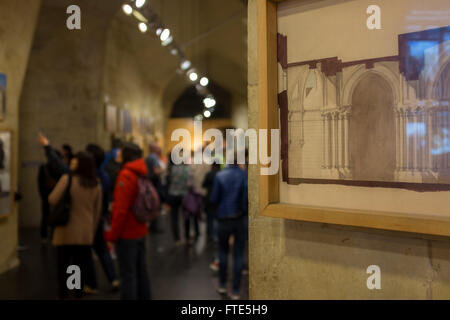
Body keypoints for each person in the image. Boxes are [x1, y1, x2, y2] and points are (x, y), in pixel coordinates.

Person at [48, 152, 102, 300]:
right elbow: (97, 212)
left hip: (66, 230)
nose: (71, 164)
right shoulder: (96, 183)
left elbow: (52, 199)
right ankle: (77, 294)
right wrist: (91, 230)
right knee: (79, 266)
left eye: (74, 162)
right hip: (85, 232)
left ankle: (64, 294)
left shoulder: (67, 179)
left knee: (64, 265)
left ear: (80, 164)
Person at [105, 143, 151, 300]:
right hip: (140, 228)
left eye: (120, 152)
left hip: (127, 232)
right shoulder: (141, 171)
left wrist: (112, 236)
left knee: (128, 275)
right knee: (141, 271)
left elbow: (120, 210)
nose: (117, 153)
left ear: (126, 155)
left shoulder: (126, 175)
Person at [210, 157, 247, 300]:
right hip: (239, 219)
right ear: (239, 162)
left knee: (223, 251)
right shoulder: (244, 175)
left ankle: (222, 284)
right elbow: (245, 198)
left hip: (223, 218)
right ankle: (236, 290)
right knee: (238, 254)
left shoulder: (220, 175)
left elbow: (214, 198)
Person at [84, 144, 119, 293]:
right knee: (102, 249)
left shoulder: (85, 178)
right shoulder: (104, 176)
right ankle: (113, 278)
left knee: (84, 253)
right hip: (99, 217)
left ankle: (90, 284)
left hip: (85, 219)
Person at [166, 151, 193, 245]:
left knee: (174, 217)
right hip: (184, 195)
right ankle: (187, 237)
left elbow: (167, 181)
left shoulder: (172, 169)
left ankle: (176, 239)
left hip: (173, 195)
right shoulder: (187, 169)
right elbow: (190, 184)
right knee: (186, 216)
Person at [37, 152, 62, 242]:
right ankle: (53, 235)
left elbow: (39, 183)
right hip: (57, 195)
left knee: (45, 215)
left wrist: (42, 195)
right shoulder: (60, 169)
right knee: (56, 215)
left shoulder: (44, 167)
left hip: (46, 194)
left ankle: (44, 235)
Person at [202, 163, 221, 242]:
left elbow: (203, 185)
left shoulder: (208, 174)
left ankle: (210, 233)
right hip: (218, 198)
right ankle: (216, 235)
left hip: (209, 198)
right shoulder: (221, 174)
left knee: (209, 217)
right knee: (217, 217)